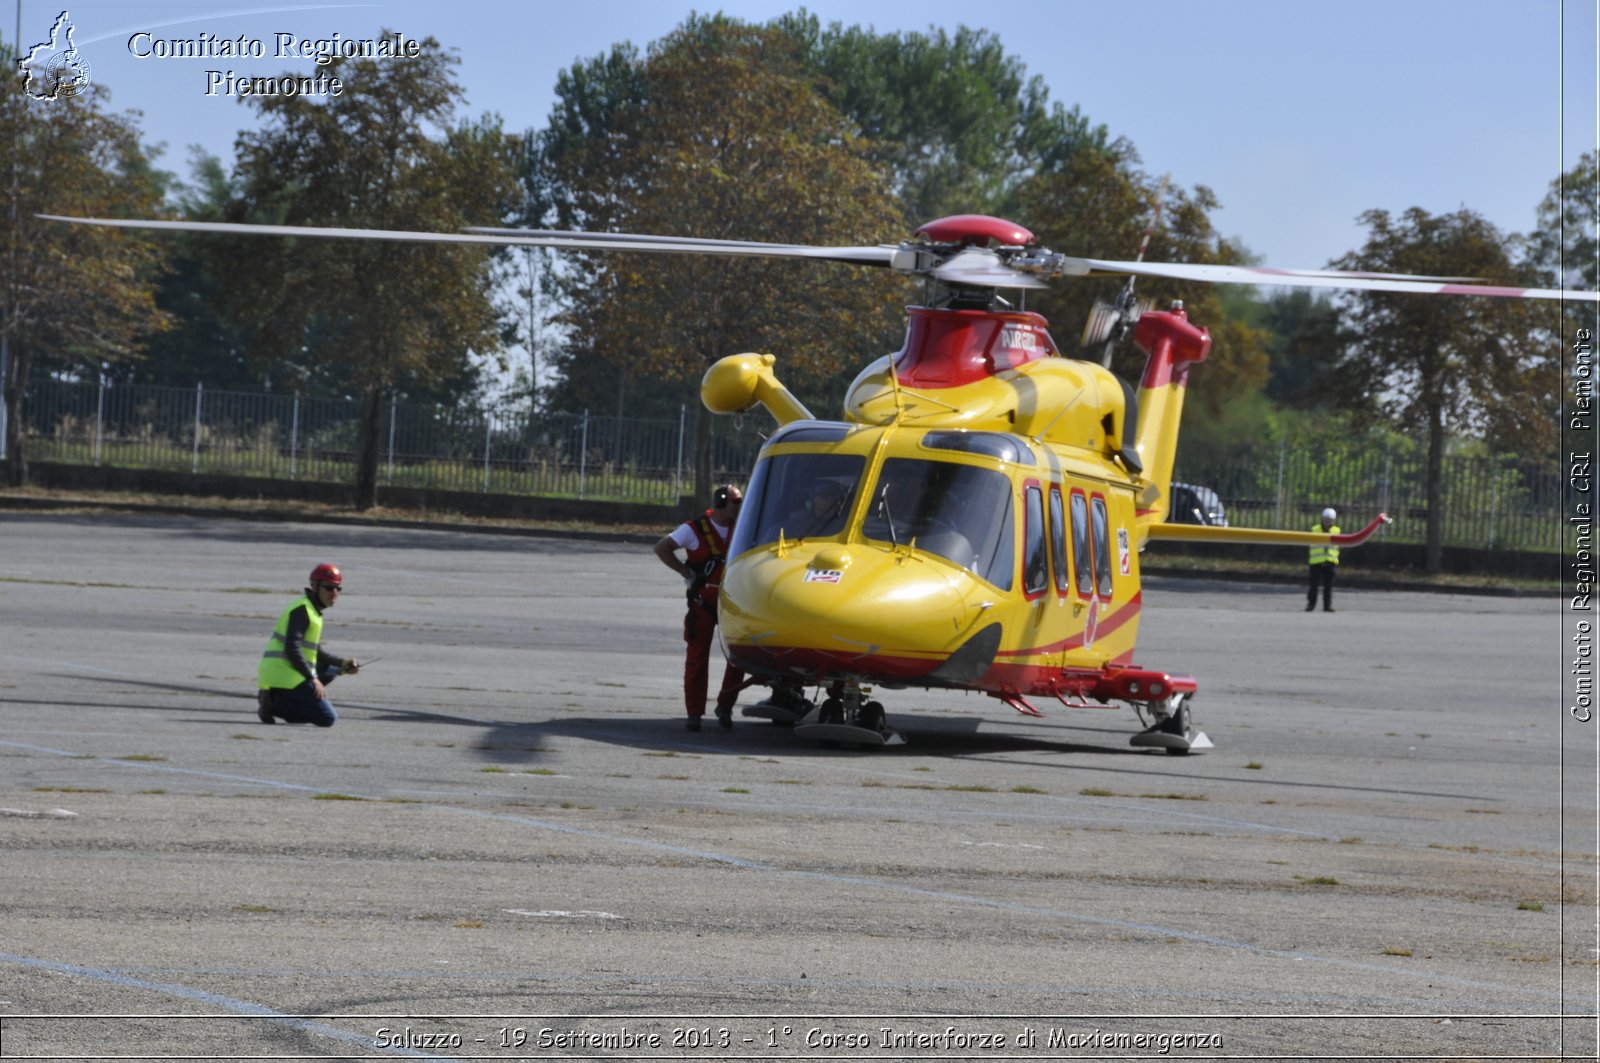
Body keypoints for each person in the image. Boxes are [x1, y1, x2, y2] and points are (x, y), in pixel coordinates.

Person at [653, 485, 747, 731]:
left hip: (733, 605)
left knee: (738, 658)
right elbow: (662, 547)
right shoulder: (694, 529)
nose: (740, 507)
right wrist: (685, 572)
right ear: (722, 502)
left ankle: (725, 706)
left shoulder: (745, 529)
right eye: (736, 502)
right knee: (696, 658)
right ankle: (694, 713)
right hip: (703, 604)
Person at [257, 563, 360, 726]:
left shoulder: (313, 611)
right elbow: (292, 649)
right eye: (328, 587)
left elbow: (315, 651)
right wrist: (313, 679)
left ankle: (283, 699)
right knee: (328, 718)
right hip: (283, 673)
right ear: (314, 586)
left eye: (337, 588)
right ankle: (273, 704)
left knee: (332, 670)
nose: (334, 593)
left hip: (288, 671)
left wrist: (342, 664)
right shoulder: (303, 611)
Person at [1307, 507, 1340, 612]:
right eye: (1326, 519)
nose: (1327, 521)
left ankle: (1327, 606)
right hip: (1316, 562)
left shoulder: (1337, 530)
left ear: (1333, 520)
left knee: (1328, 587)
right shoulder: (1314, 529)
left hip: (1330, 561)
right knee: (1313, 586)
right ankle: (1311, 605)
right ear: (1322, 518)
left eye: (1330, 519)